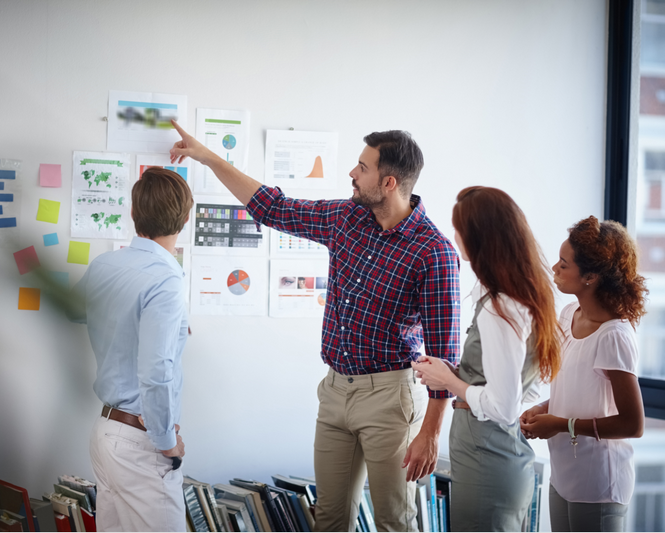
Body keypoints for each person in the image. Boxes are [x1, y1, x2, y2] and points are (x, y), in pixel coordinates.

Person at [170, 120, 460, 531]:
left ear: (389, 181)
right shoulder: (346, 218)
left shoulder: (434, 252)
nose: (352, 174)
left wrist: (430, 432)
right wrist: (209, 157)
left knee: (394, 521)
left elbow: (445, 355)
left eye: (362, 167)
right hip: (335, 390)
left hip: (391, 399)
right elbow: (273, 207)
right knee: (329, 518)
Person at [411, 186, 561, 531]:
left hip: (487, 457)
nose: (454, 235)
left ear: (478, 239)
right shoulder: (527, 296)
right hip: (497, 454)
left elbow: (504, 406)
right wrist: (457, 374)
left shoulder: (499, 308)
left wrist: (449, 381)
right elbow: (525, 385)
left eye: (458, 228)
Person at [67, 167, 193, 532]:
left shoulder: (107, 264)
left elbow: (74, 310)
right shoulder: (166, 278)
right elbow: (156, 371)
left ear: (134, 214)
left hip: (106, 433)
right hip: (140, 443)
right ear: (186, 218)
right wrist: (167, 441)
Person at [520, 216, 646, 532]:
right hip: (564, 475)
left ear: (589, 276)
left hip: (599, 485)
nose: (554, 269)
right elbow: (579, 390)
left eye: (564, 264)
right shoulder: (568, 315)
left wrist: (560, 424)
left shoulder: (613, 335)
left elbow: (633, 424)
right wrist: (543, 409)